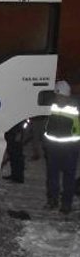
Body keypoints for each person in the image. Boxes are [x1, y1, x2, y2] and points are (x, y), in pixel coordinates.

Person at [43, 80, 80, 213]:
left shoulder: (76, 108)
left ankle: (66, 204)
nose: (59, 99)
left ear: (67, 96)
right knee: (52, 177)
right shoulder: (51, 106)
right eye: (57, 96)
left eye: (61, 96)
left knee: (68, 178)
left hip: (70, 149)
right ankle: (52, 200)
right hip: (53, 148)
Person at [3, 119, 32, 183]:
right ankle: (15, 174)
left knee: (17, 155)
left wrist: (19, 132)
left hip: (16, 132)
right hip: (12, 131)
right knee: (13, 154)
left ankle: (18, 176)